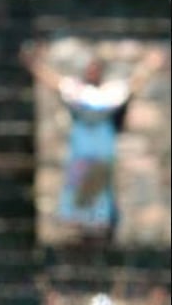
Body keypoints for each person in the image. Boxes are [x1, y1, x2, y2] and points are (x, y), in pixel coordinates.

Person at [23, 44, 166, 245]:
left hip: (101, 141)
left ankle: (99, 221)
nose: (92, 73)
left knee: (99, 179)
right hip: (83, 142)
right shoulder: (78, 91)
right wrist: (35, 66)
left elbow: (134, 83)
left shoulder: (109, 93)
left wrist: (151, 64)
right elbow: (54, 82)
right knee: (79, 177)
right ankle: (78, 221)